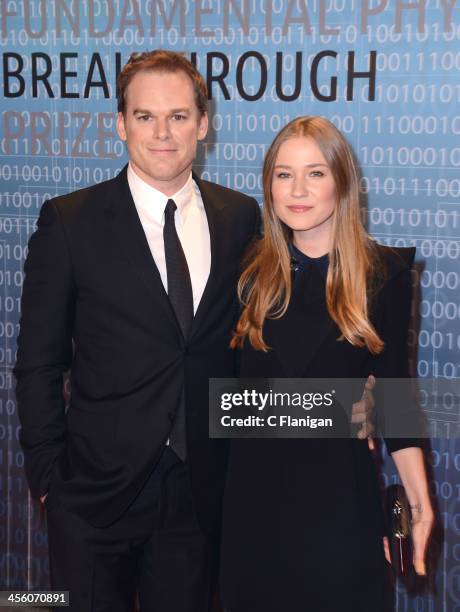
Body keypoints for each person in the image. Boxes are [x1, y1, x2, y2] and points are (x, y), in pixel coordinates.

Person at [13, 50, 260, 612]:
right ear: (121, 124)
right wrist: (51, 479)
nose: (163, 133)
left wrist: (357, 407)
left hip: (199, 498)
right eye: (145, 116)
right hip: (93, 497)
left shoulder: (242, 218)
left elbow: (251, 350)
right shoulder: (69, 221)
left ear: (203, 123)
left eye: (178, 115)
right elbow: (38, 364)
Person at [220, 116, 434, 612]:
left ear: (342, 181)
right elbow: (224, 406)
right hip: (253, 508)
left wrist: (419, 505)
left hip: (341, 505)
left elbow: (397, 401)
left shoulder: (386, 274)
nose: (297, 190)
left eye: (315, 173)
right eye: (283, 173)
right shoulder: (245, 273)